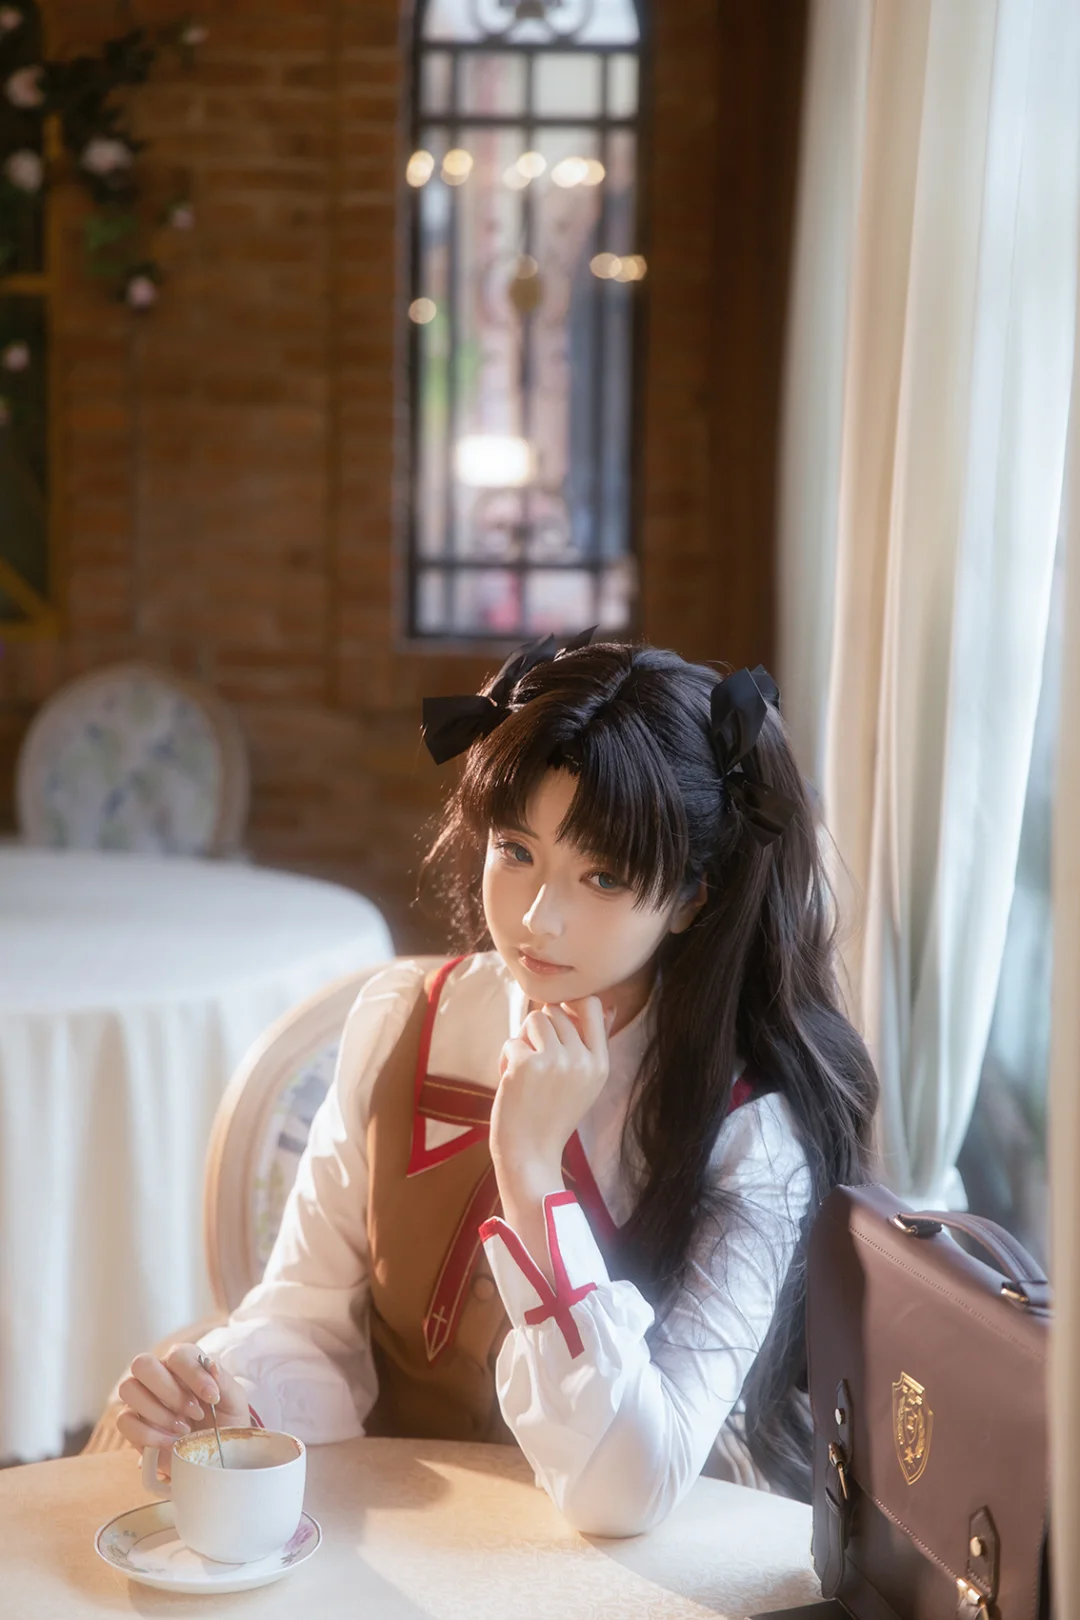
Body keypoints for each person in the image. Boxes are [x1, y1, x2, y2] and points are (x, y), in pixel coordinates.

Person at [115, 637, 878, 1535]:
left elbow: (628, 1491)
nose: (537, 917)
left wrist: (530, 1168)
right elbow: (309, 1319)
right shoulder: (403, 1021)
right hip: (389, 1533)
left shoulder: (752, 1133)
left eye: (602, 875)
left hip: (615, 1574)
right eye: (516, 849)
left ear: (691, 898)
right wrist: (229, 1401)